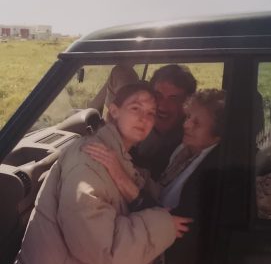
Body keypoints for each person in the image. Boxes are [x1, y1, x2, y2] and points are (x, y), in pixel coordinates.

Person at [15, 82, 192, 264]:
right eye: (135, 108)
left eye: (150, 113)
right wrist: (163, 226)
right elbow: (102, 251)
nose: (143, 118)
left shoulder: (120, 156)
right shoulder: (89, 160)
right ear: (114, 111)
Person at [84, 88, 226, 264]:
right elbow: (156, 184)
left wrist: (121, 177)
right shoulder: (184, 150)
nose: (186, 125)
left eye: (197, 123)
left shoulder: (214, 171)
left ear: (218, 134)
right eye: (188, 117)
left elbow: (176, 225)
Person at [132, 64, 197, 180]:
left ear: (187, 104)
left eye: (173, 99)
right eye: (158, 96)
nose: (162, 106)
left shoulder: (186, 145)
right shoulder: (135, 124)